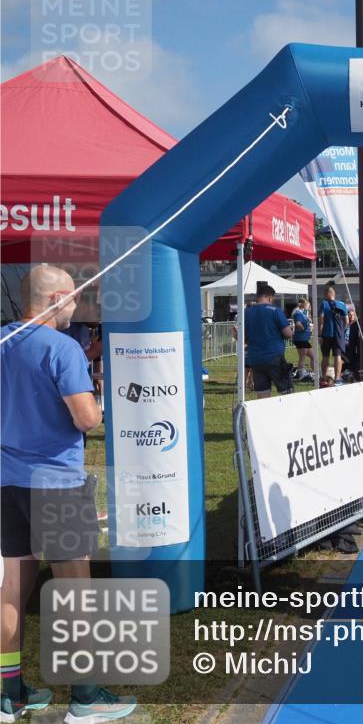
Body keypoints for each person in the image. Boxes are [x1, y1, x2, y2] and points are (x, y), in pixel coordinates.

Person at [1, 265, 136, 723]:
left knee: (12, 590)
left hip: (8, 482)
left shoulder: (2, 341)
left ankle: (10, 694)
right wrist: (96, 399)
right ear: (58, 297)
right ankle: (85, 695)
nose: (76, 307)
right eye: (76, 299)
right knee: (76, 591)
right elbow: (86, 418)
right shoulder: (62, 347)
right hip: (56, 482)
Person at [244, 284, 294, 399]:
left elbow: (244, 337)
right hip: (274, 357)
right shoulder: (275, 311)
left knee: (262, 393)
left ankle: (263, 416)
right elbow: (288, 333)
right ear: (270, 298)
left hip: (255, 358)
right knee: (287, 391)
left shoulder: (247, 312)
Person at [318, 285, 348, 384]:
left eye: (324, 294)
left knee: (325, 356)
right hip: (338, 335)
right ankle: (337, 378)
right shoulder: (342, 304)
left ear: (328, 294)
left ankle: (324, 378)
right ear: (334, 294)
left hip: (326, 335)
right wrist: (341, 331)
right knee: (338, 356)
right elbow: (346, 321)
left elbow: (321, 321)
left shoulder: (324, 303)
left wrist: (320, 335)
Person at [291, 299, 315, 382]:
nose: (308, 306)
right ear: (301, 304)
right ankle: (301, 374)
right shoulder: (297, 313)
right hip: (300, 339)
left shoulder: (304, 313)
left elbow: (308, 320)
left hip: (305, 339)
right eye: (307, 304)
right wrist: (303, 328)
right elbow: (298, 324)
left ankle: (315, 373)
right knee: (302, 357)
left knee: (313, 356)